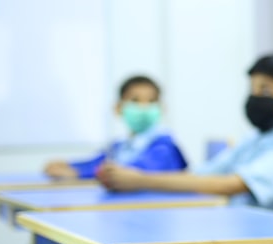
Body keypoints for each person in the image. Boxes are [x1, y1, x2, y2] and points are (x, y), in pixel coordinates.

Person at [97, 54, 273, 209]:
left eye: (265, 90)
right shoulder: (256, 137)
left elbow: (229, 185)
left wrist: (141, 180)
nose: (255, 97)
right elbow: (204, 173)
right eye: (252, 89)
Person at [43, 75, 187, 179]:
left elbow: (135, 172)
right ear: (118, 108)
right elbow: (99, 162)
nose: (144, 107)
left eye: (151, 101)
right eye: (135, 100)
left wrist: (78, 174)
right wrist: (69, 166)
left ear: (162, 108)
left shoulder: (164, 146)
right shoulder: (120, 146)